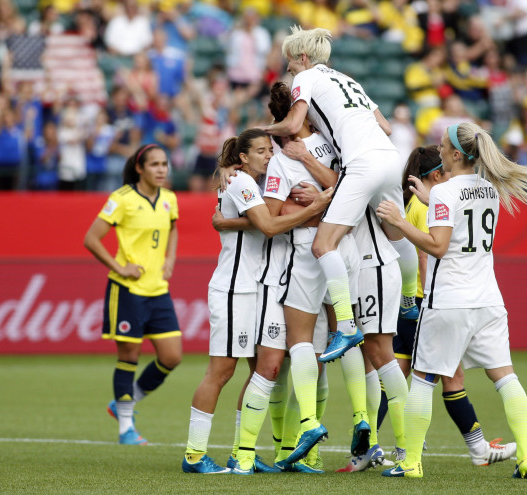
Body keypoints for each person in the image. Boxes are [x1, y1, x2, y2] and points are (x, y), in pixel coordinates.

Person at [376, 122, 527, 479]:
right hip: (488, 300)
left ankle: (411, 463)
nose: (437, 151)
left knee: (422, 379)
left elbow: (437, 245)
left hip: (449, 300)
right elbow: (459, 219)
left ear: (456, 154)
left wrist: (400, 220)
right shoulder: (489, 189)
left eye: (441, 146)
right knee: (505, 378)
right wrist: (428, 199)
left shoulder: (446, 193)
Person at [263, 26, 419, 365]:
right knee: (396, 230)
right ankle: (410, 299)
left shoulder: (307, 77)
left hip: (361, 163)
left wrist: (260, 130)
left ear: (302, 58)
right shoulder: (349, 81)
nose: (289, 71)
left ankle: (346, 326)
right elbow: (388, 127)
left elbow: (292, 125)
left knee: (323, 245)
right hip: (390, 157)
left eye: (290, 63)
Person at [182, 129, 333, 474]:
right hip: (236, 288)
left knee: (260, 373)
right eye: (262, 151)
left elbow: (259, 222)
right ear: (243, 158)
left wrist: (230, 221)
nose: (269, 155)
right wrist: (322, 204)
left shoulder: (248, 182)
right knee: (220, 372)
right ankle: (193, 454)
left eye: (270, 149)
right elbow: (267, 226)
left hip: (255, 287)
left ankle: (241, 452)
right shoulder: (243, 183)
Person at [83, 144, 182, 445]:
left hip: (158, 290)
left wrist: (170, 259)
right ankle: (126, 427)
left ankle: (124, 402)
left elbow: (173, 228)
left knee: (172, 356)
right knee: (129, 356)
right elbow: (91, 238)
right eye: (154, 164)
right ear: (139, 168)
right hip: (127, 290)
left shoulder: (169, 198)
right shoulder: (121, 199)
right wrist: (119, 267)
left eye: (164, 163)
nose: (162, 169)